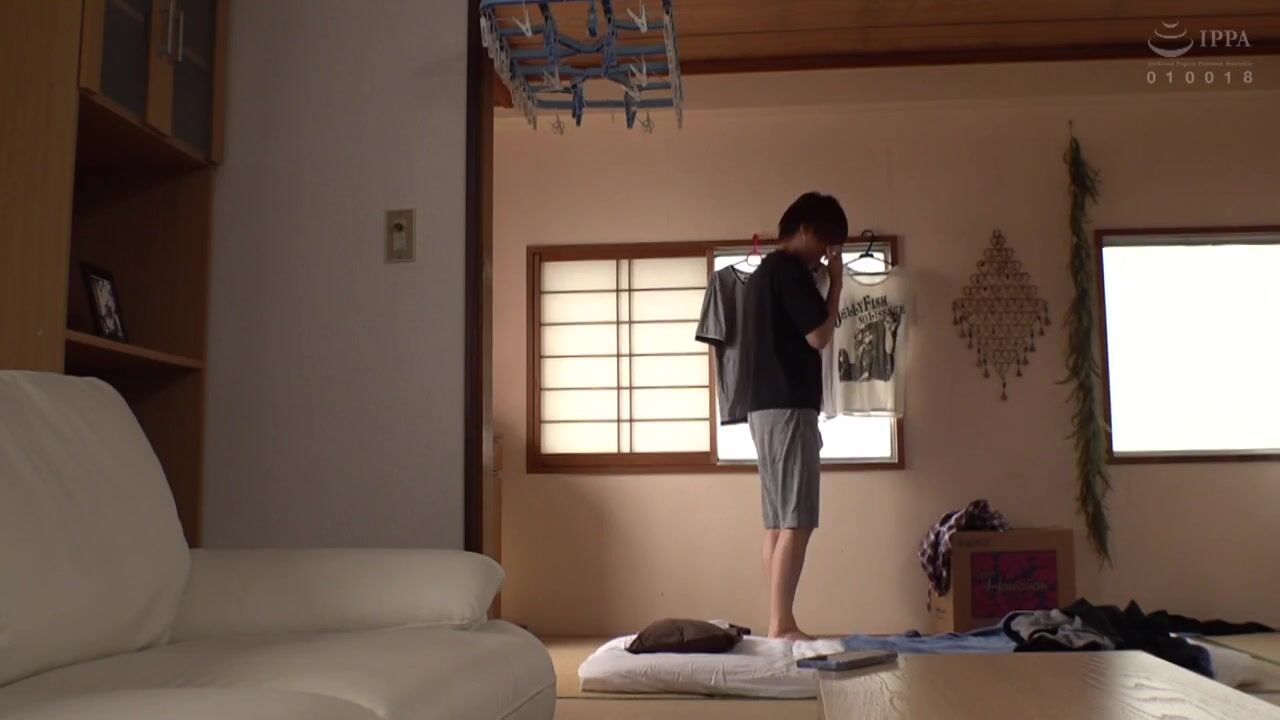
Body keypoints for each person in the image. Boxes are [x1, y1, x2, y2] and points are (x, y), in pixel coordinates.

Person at [743, 191, 847, 640]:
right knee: (797, 518)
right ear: (804, 230)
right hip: (788, 407)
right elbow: (819, 336)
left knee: (777, 521)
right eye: (826, 242)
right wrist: (836, 284)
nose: (826, 253)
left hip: (764, 409)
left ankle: (777, 620)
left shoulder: (765, 273)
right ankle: (781, 624)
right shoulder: (789, 271)